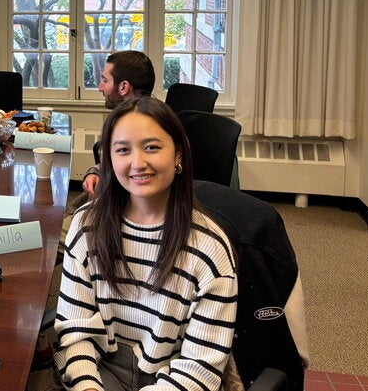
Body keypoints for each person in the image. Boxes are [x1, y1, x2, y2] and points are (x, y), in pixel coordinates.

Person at [54, 97, 237, 391]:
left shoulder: (209, 249)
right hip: (101, 374)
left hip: (171, 380)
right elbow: (74, 332)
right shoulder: (87, 225)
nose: (138, 163)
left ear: (178, 154)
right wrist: (88, 387)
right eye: (123, 150)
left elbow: (198, 372)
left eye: (152, 147)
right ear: (109, 160)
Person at [83, 50, 156, 195]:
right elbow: (113, 162)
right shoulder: (126, 118)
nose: (100, 88)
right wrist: (96, 172)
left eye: (105, 80)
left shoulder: (141, 127)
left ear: (123, 87)